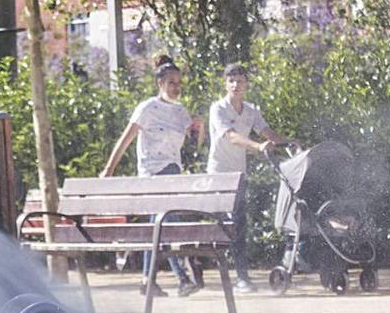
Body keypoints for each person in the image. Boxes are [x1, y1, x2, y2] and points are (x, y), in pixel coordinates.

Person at [101, 55, 204, 298]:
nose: (176, 87)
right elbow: (126, 139)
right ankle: (184, 275)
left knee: (157, 228)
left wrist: (200, 128)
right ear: (159, 83)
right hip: (154, 174)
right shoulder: (147, 108)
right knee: (169, 223)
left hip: (173, 172)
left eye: (179, 83)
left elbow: (193, 146)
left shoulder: (180, 112)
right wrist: (109, 169)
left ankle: (149, 281)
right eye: (171, 82)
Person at [206, 63, 288, 293]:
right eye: (231, 80)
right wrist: (258, 146)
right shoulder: (218, 109)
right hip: (219, 175)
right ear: (225, 84)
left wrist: (288, 142)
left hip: (238, 175)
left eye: (240, 80)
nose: (235, 85)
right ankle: (204, 268)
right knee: (222, 226)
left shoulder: (251, 110)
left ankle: (242, 277)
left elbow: (267, 132)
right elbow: (231, 137)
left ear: (247, 84)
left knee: (240, 225)